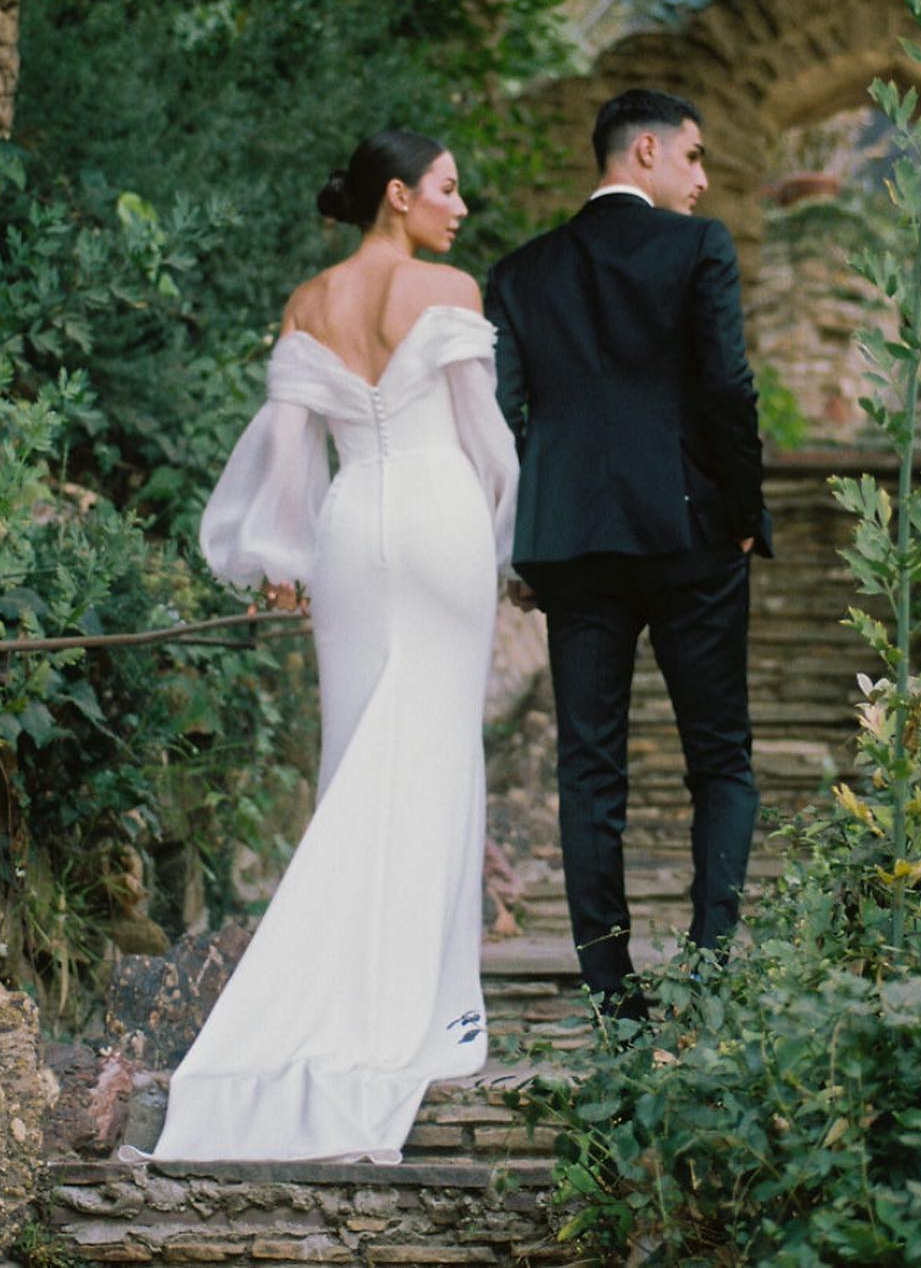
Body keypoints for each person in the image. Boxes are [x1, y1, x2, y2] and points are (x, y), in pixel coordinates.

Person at [130, 130, 517, 1164]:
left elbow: (284, 453)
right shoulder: (451, 290)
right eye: (447, 184)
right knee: (435, 757)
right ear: (398, 195)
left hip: (352, 526)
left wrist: (279, 555)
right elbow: (485, 441)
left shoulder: (309, 305)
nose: (461, 203)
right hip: (437, 517)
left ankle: (351, 992)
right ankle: (429, 1014)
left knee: (356, 758)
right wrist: (502, 534)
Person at [485, 88, 771, 1018]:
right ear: (645, 152)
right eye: (694, 156)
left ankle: (612, 994)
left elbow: (503, 422)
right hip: (690, 534)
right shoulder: (698, 248)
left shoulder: (521, 273)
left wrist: (528, 540)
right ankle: (710, 960)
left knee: (589, 766)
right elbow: (726, 386)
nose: (703, 178)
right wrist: (743, 508)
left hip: (575, 545)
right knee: (720, 756)